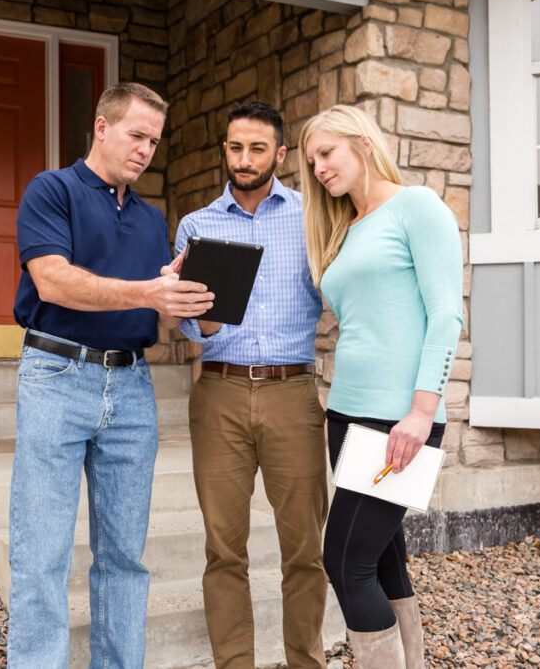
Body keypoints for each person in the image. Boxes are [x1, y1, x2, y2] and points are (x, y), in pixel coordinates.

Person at [8, 82, 214, 668]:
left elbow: (157, 309)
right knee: (41, 553)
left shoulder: (153, 221)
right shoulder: (52, 190)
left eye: (155, 140)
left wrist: (189, 302)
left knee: (125, 555)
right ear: (102, 127)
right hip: (56, 375)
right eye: (136, 135)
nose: (147, 149)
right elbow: (53, 280)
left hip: (131, 387)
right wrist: (148, 291)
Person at [299, 105, 463, 669]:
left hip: (398, 419)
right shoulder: (346, 228)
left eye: (328, 152)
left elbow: (445, 316)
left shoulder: (417, 207)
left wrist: (421, 413)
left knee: (344, 563)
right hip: (345, 413)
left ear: (363, 143)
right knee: (382, 559)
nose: (319, 167)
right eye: (311, 159)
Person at [172, 101, 329, 668]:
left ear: (280, 155)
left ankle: (305, 662)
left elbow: (338, 293)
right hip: (220, 392)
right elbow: (192, 326)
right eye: (235, 147)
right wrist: (204, 310)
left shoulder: (313, 215)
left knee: (306, 551)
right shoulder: (197, 225)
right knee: (223, 550)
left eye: (257, 148)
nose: (244, 159)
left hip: (292, 394)